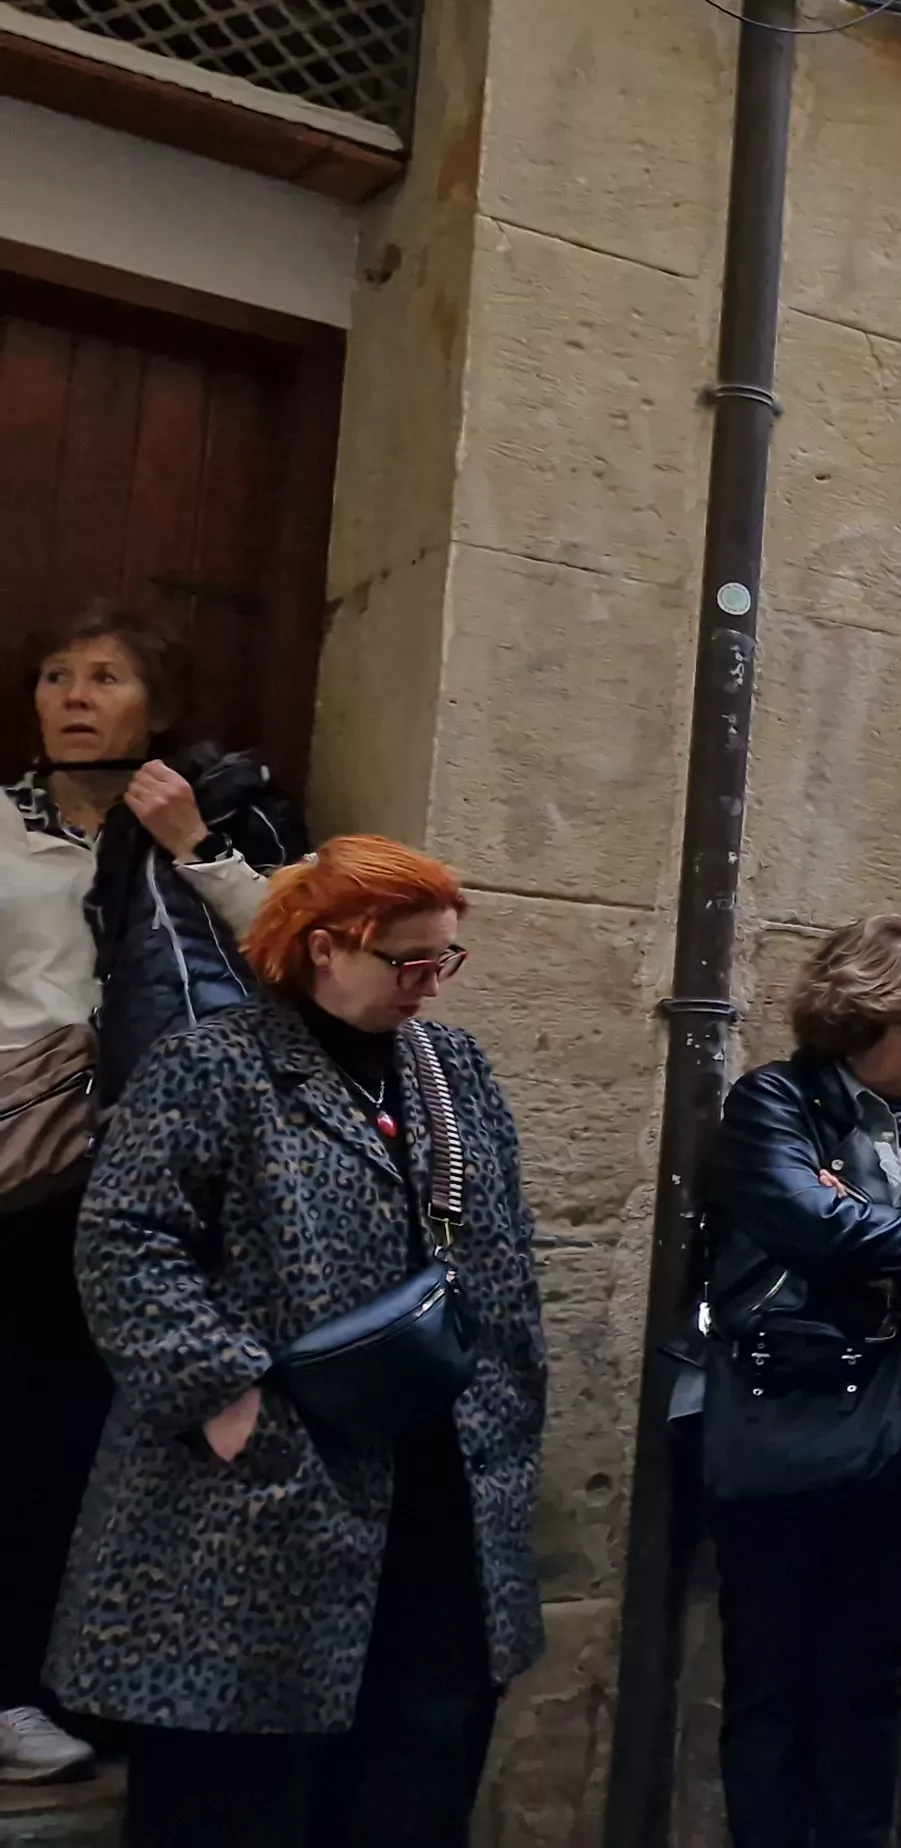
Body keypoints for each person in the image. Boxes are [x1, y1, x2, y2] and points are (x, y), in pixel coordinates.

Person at [46, 835, 544, 1846]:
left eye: (444, 959)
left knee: (414, 1768)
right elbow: (125, 1240)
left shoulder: (450, 1069)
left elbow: (503, 1249)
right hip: (257, 1495)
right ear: (325, 947)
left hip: (440, 1491)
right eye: (407, 961)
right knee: (239, 1788)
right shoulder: (213, 1064)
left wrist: (505, 1406)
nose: (430, 984)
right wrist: (226, 1397)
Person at [0, 609, 305, 1783]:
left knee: (115, 1430)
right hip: (20, 1158)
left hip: (160, 1160)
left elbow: (300, 954)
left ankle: (99, 1684)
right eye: (54, 675)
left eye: (105, 677)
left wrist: (191, 844)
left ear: (159, 708)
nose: (74, 696)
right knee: (22, 1424)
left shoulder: (222, 810)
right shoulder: (4, 821)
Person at [700, 917, 901, 1848]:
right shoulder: (774, 1105)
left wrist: (892, 1260)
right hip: (790, 1433)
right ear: (859, 1016)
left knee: (872, 1682)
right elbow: (813, 1227)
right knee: (774, 1687)